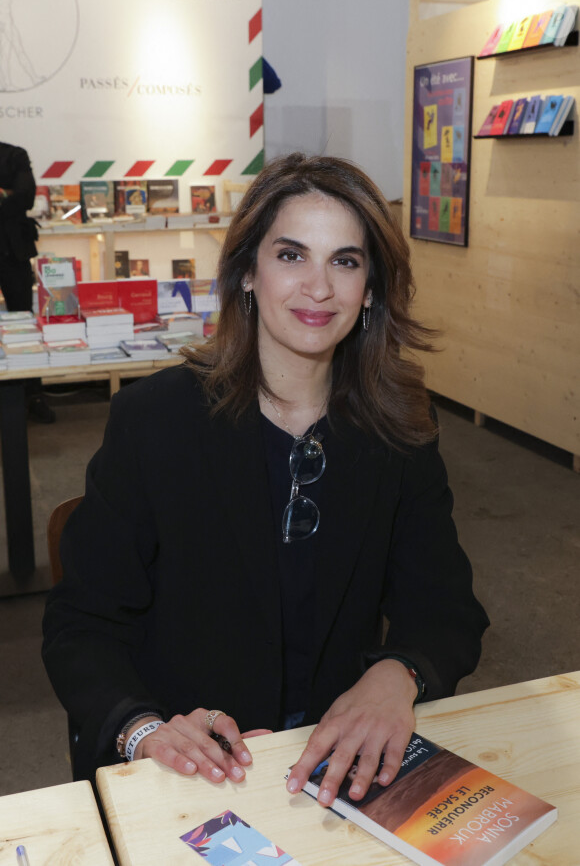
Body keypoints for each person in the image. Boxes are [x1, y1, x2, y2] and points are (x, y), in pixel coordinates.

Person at [42, 153, 489, 806]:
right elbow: (80, 623)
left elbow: (445, 609)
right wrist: (144, 730)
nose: (318, 287)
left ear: (371, 288)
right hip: (196, 767)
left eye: (345, 260)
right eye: (290, 255)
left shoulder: (399, 426)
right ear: (247, 272)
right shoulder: (155, 419)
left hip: (334, 767)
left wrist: (398, 673)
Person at [0, 140, 55, 422]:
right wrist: (4, 194)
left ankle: (33, 395)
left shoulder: (14, 154)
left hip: (12, 250)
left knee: (23, 321)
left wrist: (10, 197)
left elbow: (25, 197)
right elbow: (12, 198)